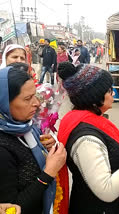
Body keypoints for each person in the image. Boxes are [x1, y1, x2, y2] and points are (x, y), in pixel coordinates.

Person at [56, 62, 119, 214]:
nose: (114, 93)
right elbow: (107, 190)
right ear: (94, 99)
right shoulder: (85, 139)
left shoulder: (88, 119)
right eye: (109, 91)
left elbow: (102, 145)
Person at [0, 65, 67, 214]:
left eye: (35, 95)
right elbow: (13, 208)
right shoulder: (2, 148)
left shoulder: (25, 127)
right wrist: (48, 172)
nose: (37, 103)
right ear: (4, 102)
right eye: (27, 98)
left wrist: (47, 148)